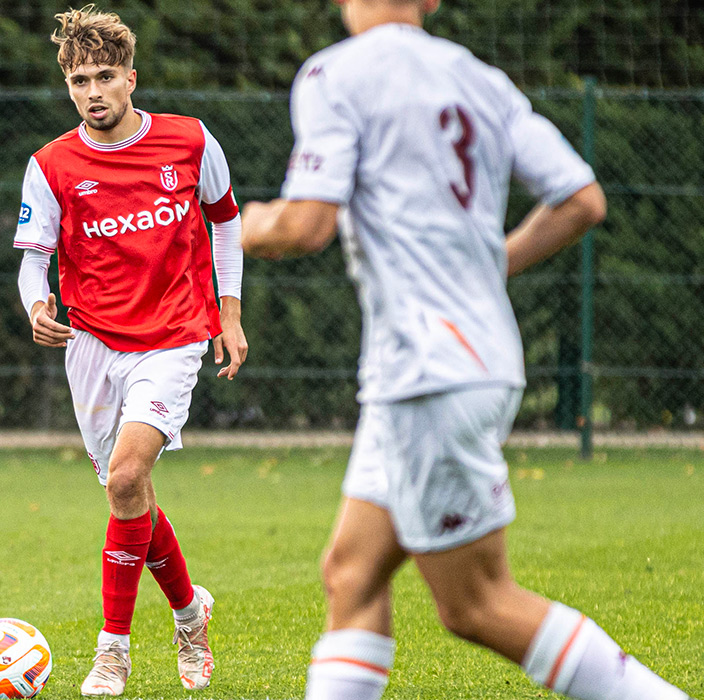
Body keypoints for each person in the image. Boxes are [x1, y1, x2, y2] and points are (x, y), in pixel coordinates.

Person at [241, 1, 694, 699]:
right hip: (461, 359)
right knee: (351, 576)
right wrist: (485, 270)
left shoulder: (336, 74)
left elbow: (306, 224)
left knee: (478, 604)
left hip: (429, 371)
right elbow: (582, 200)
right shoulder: (481, 79)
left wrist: (234, 227)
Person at [13, 4, 247, 695]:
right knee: (130, 491)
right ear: (68, 84)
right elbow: (33, 260)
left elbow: (226, 223)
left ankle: (111, 651)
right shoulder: (51, 165)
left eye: (105, 76)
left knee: (123, 479)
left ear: (132, 79)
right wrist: (36, 304)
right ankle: (188, 611)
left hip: (174, 338)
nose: (93, 91)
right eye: (80, 79)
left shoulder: (191, 142)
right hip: (90, 344)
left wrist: (228, 315)